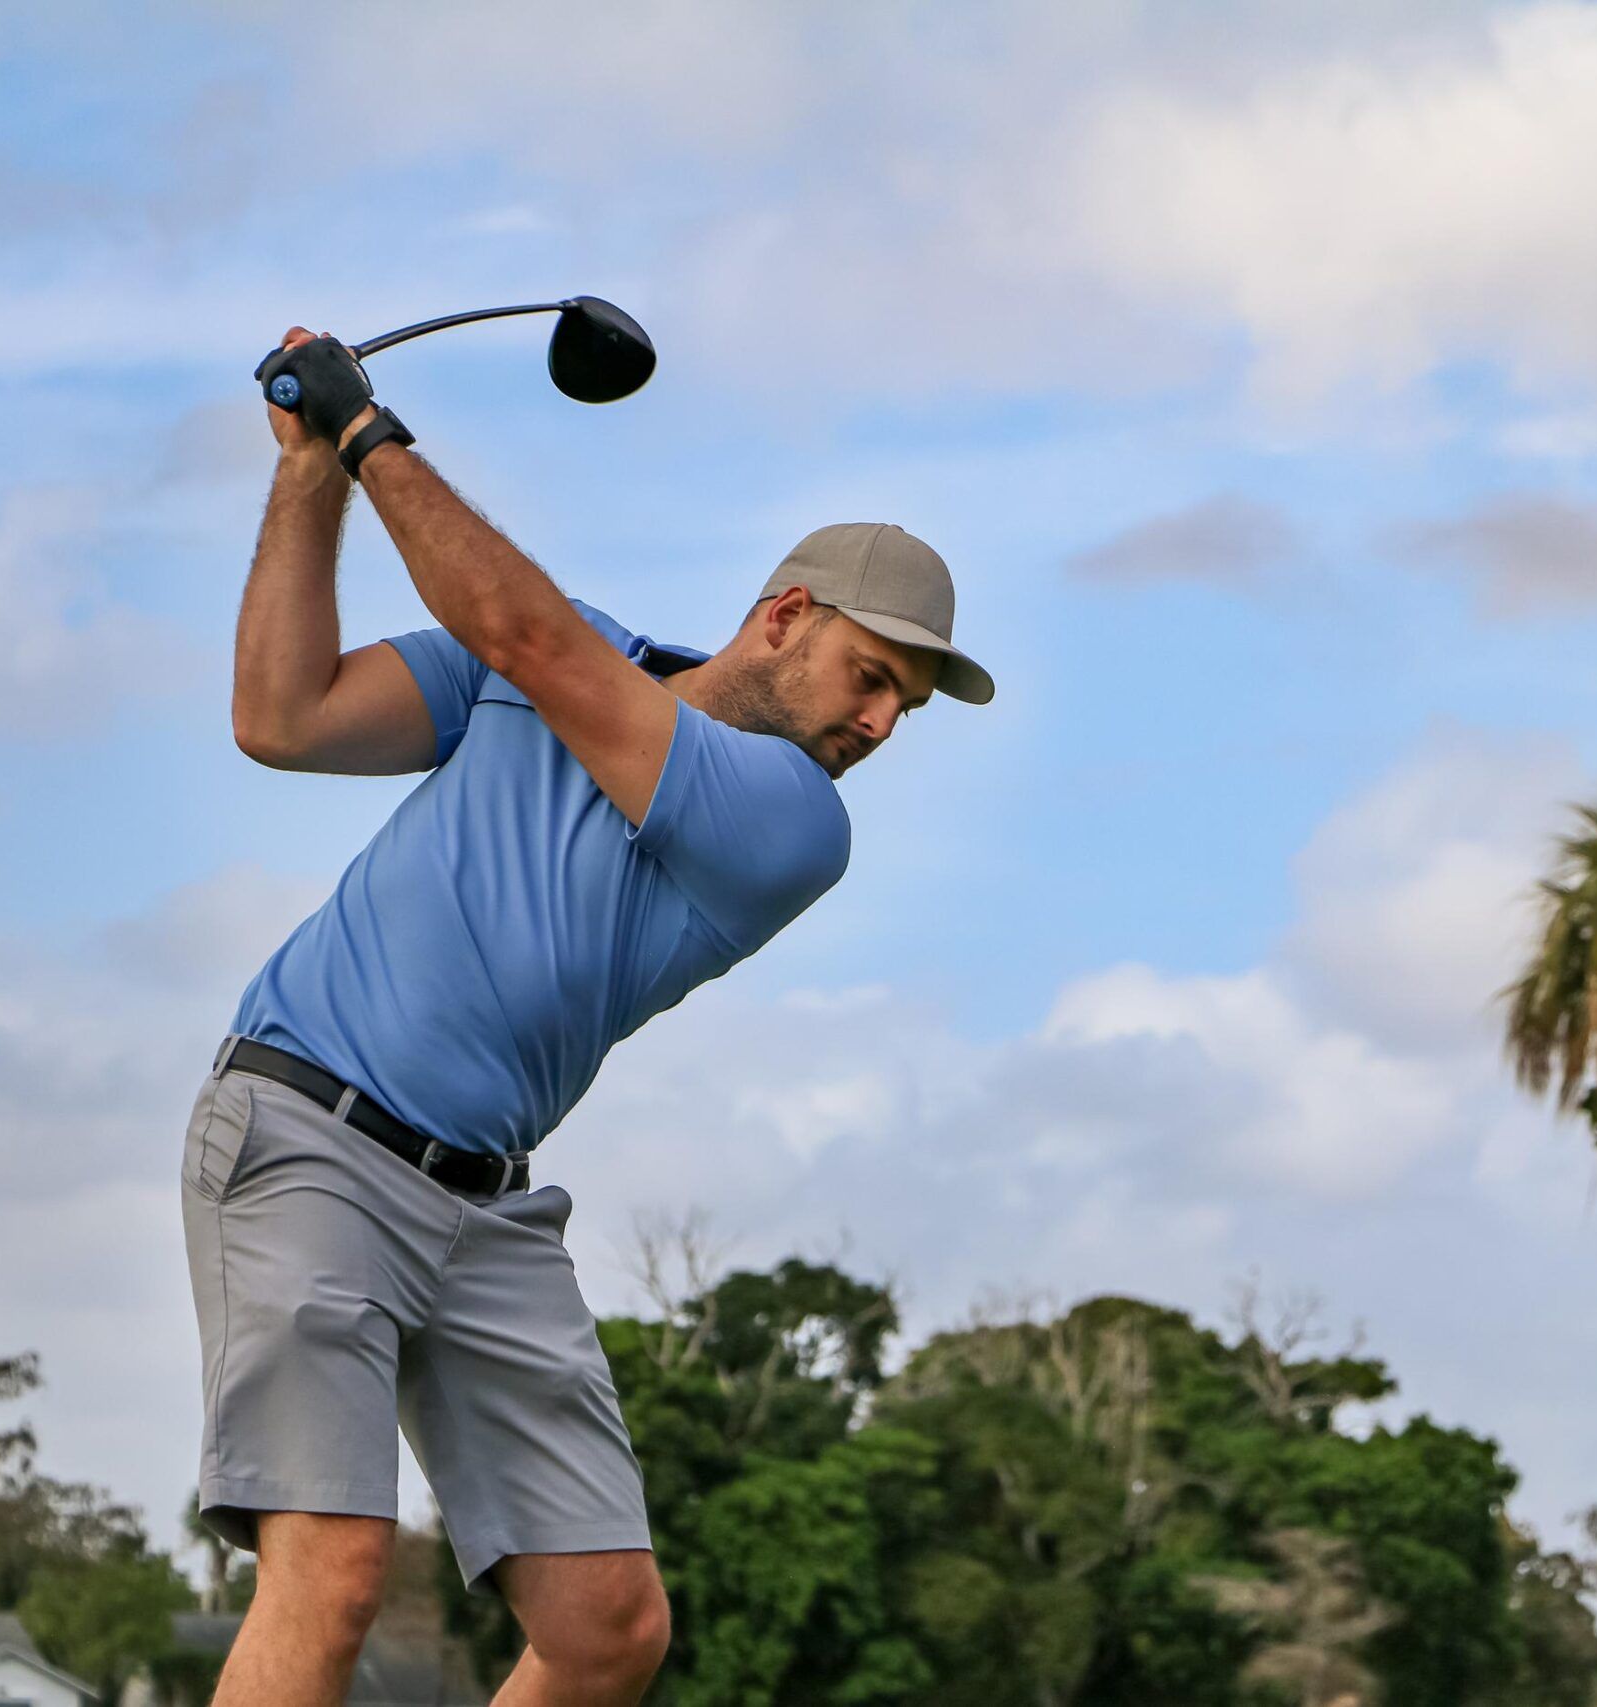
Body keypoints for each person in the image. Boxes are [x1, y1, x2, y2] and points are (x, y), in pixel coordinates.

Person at [180, 326, 993, 1706]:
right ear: (787, 616)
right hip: (311, 1128)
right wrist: (310, 474)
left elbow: (528, 635)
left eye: (904, 705)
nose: (880, 726)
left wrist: (371, 435)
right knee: (331, 1570)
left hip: (486, 1209)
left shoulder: (791, 820)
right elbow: (283, 713)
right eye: (870, 677)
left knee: (608, 1625)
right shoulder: (534, 669)